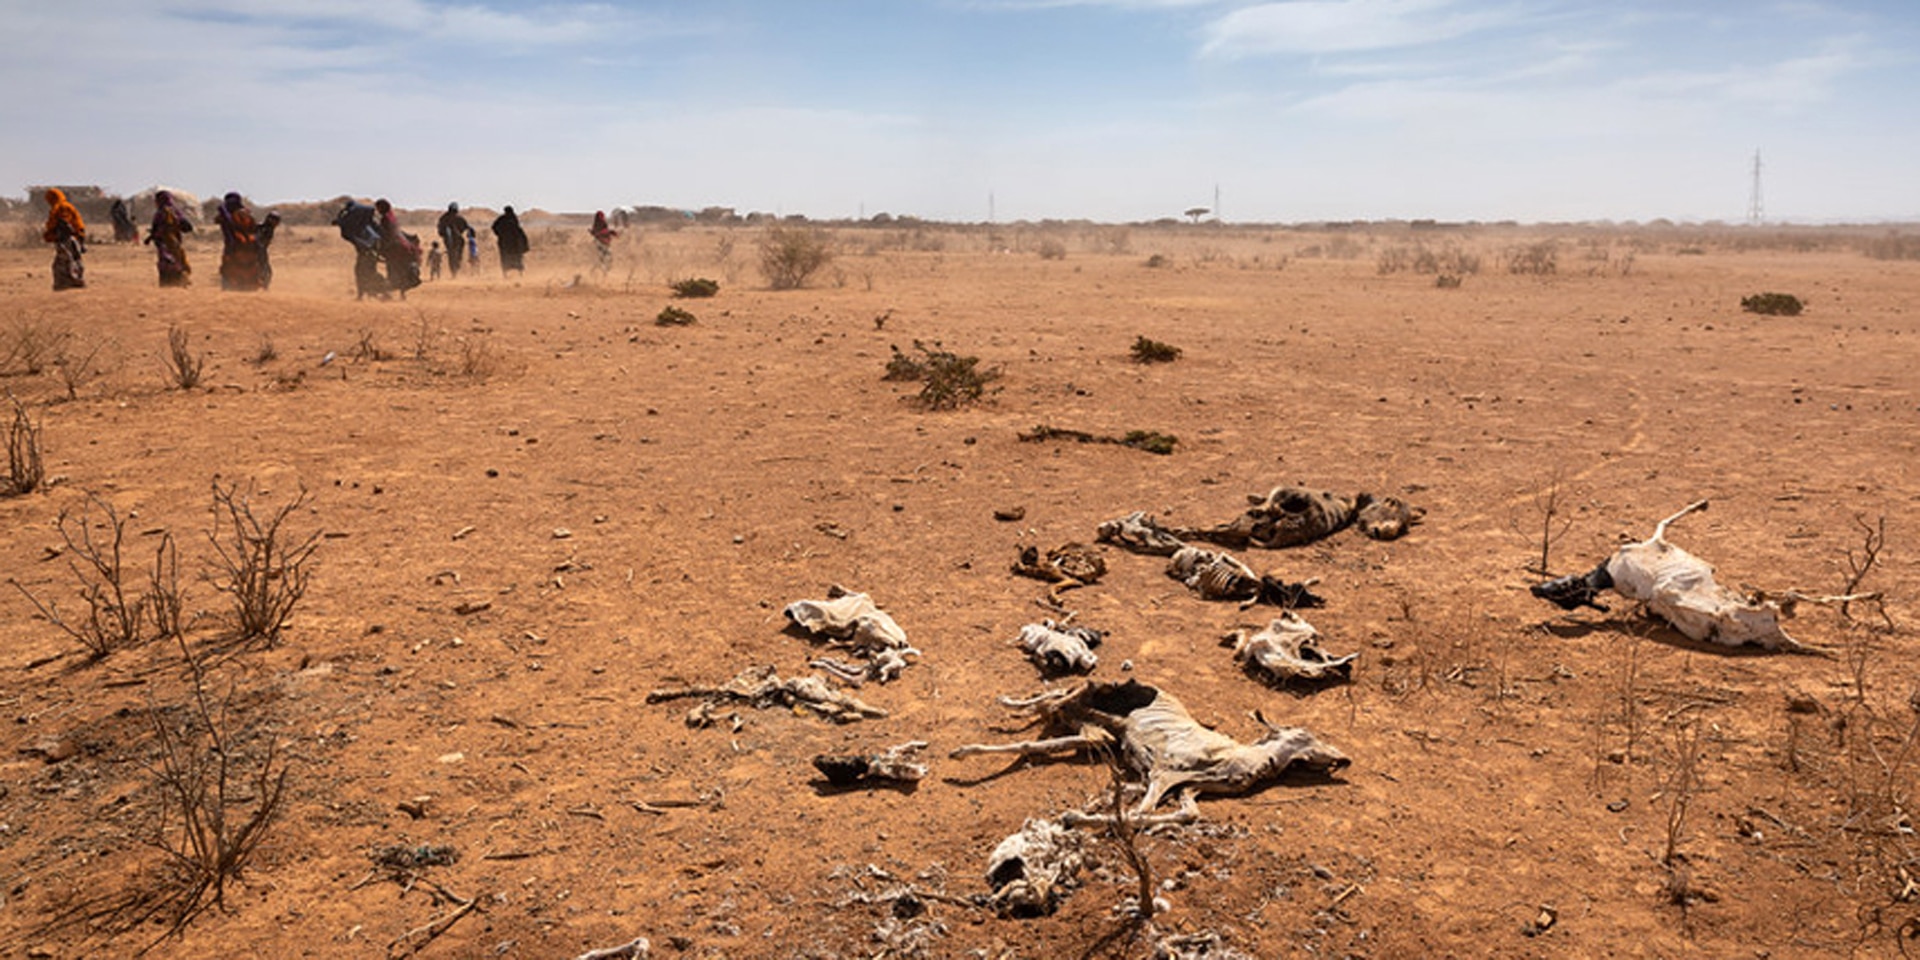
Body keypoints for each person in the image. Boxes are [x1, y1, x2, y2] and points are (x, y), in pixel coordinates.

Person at [214, 192, 269, 291]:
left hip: (235, 247)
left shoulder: (232, 215)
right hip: (249, 246)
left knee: (230, 270)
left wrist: (223, 211)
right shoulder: (246, 213)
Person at [333, 198, 384, 299]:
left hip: (366, 252)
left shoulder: (354, 230)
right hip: (371, 250)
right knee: (370, 271)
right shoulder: (367, 226)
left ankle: (364, 294)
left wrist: (340, 221)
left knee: (360, 272)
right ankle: (374, 293)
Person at [144, 190, 193, 287]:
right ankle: (180, 281)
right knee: (177, 261)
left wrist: (150, 238)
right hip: (175, 242)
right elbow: (187, 227)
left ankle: (170, 284)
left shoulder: (161, 212)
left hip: (165, 243)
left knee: (167, 263)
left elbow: (157, 228)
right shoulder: (176, 211)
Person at [375, 198, 422, 298]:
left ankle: (387, 293)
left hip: (394, 249)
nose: (378, 210)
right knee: (400, 270)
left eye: (378, 208)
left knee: (393, 270)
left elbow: (387, 234)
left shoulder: (385, 219)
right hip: (401, 247)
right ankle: (402, 293)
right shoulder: (392, 217)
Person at [41, 188, 86, 290]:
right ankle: (73, 281)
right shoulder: (63, 206)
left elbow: (64, 224)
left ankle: (69, 283)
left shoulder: (62, 207)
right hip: (70, 238)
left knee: (64, 262)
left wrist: (56, 235)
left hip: (67, 239)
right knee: (70, 260)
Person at [491, 205, 529, 276]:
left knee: (506, 257)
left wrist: (500, 234)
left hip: (506, 243)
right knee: (515, 257)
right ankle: (519, 273)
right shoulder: (512, 218)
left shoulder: (504, 219)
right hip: (512, 242)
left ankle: (507, 274)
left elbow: (494, 227)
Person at [436, 203, 469, 278]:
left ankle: (455, 271)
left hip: (457, 241)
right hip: (453, 241)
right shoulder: (447, 218)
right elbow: (465, 227)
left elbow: (465, 227)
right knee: (453, 256)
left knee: (454, 256)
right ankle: (454, 272)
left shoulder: (444, 218)